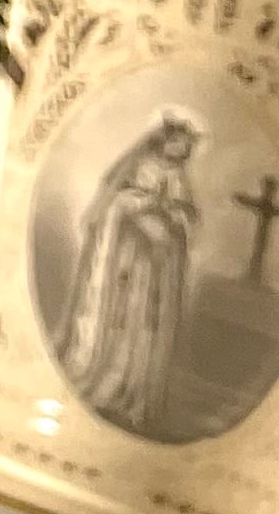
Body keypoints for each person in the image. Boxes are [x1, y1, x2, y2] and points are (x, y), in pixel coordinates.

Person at [55, 111, 202, 433]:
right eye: (182, 142)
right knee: (123, 321)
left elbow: (188, 215)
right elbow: (118, 202)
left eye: (188, 145)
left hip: (158, 269)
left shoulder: (180, 177)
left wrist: (174, 217)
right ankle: (108, 383)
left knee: (147, 327)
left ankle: (137, 393)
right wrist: (145, 210)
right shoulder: (141, 166)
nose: (185, 149)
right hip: (129, 262)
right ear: (167, 140)